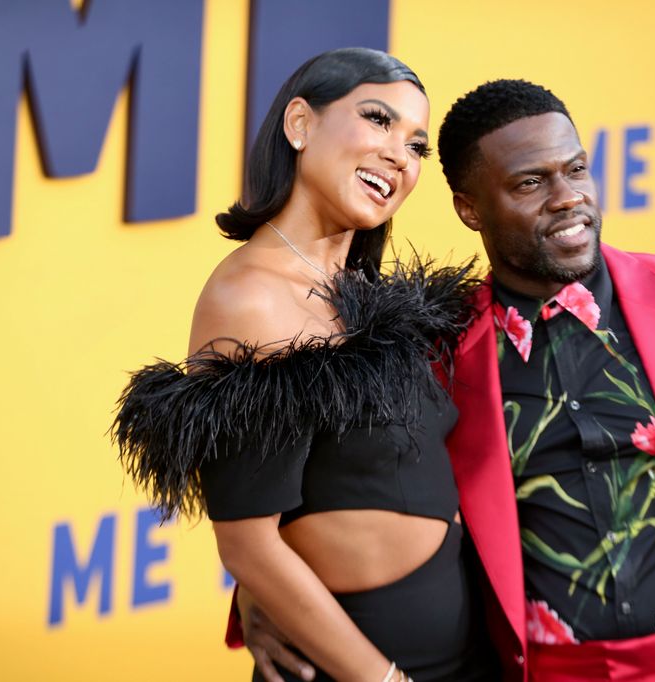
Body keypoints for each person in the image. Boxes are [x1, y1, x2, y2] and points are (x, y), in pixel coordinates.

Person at [243, 79, 655, 682]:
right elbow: (346, 483)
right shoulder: (437, 351)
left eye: (576, 169)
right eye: (530, 183)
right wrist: (257, 591)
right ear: (470, 209)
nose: (568, 197)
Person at [112, 48, 498, 682]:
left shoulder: (368, 294)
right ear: (300, 124)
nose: (401, 155)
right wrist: (380, 679)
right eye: (377, 120)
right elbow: (248, 541)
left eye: (417, 146)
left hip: (459, 654)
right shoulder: (250, 297)